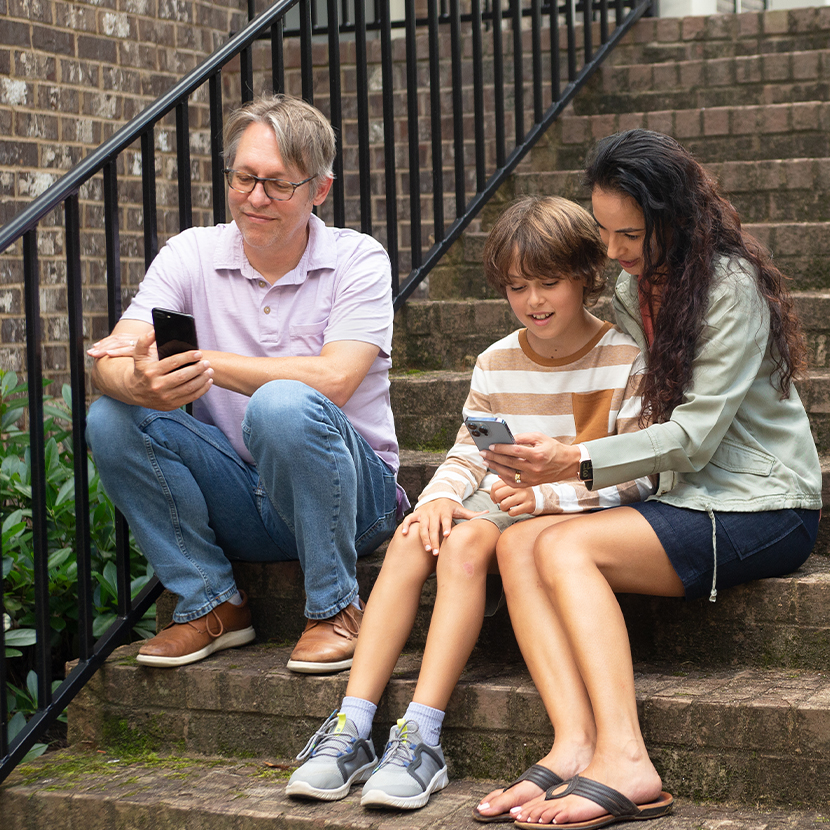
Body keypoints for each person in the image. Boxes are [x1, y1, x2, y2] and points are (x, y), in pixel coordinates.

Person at [472, 130, 822, 830]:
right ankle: (574, 744)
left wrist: (574, 457)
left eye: (628, 233)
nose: (612, 251)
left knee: (566, 548)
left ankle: (628, 760)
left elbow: (694, 438)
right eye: (602, 230)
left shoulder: (730, 287)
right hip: (681, 494)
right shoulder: (637, 287)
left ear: (675, 217)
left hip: (761, 502)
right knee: (517, 545)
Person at [286, 196, 656, 810]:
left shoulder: (622, 357)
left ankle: (423, 732)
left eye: (548, 283)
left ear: (585, 277)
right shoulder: (496, 360)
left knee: (461, 544)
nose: (534, 301)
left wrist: (544, 494)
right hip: (501, 499)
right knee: (414, 536)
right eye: (517, 287)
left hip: (569, 513)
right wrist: (435, 497)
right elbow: (470, 451)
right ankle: (352, 726)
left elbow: (634, 475)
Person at [85, 94, 404, 674]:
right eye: (244, 178)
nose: (256, 198)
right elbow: (111, 357)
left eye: (277, 184)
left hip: (355, 500)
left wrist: (201, 362)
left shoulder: (358, 259)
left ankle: (335, 607)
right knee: (110, 415)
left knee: (282, 404)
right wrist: (140, 383)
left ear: (319, 190)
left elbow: (334, 380)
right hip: (239, 494)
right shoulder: (190, 254)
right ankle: (213, 603)